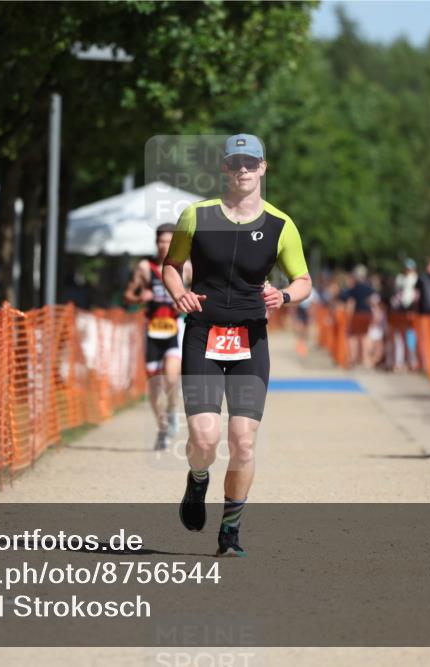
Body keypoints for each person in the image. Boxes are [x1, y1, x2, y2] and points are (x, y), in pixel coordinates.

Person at [162, 133, 312, 557]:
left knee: (243, 441)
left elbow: (304, 281)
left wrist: (284, 295)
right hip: (203, 334)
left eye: (251, 162)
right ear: (224, 168)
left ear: (263, 167)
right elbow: (171, 265)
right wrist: (179, 293)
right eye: (235, 162)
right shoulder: (197, 215)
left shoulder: (281, 224)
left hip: (251, 339)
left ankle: (230, 531)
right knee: (204, 439)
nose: (243, 169)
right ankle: (197, 479)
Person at [123, 224, 192, 450]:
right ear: (156, 243)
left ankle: (171, 409)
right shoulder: (145, 267)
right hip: (152, 329)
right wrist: (140, 297)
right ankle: (162, 428)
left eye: (169, 242)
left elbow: (201, 292)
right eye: (161, 241)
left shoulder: (186, 267)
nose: (164, 246)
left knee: (171, 377)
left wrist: (185, 299)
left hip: (175, 327)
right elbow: (128, 295)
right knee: (153, 385)